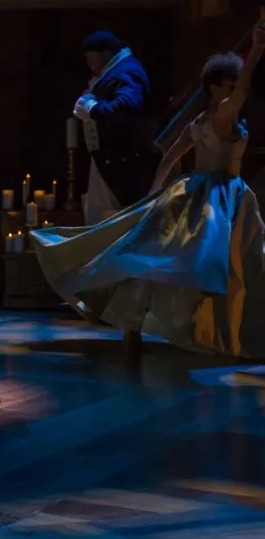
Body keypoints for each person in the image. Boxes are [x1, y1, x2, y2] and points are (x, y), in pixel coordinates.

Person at [32, 20, 265, 357]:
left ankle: (157, 327)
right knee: (227, 264)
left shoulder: (198, 122)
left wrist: (157, 196)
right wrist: (255, 51)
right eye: (229, 85)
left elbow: (168, 159)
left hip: (200, 192)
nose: (235, 91)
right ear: (214, 88)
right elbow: (240, 93)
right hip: (220, 199)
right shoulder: (222, 116)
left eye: (234, 84)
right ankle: (219, 331)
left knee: (168, 258)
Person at [72, 31, 159, 225]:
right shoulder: (117, 71)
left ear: (104, 53)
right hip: (107, 159)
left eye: (90, 57)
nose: (88, 63)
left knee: (110, 220)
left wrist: (92, 107)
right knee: (99, 216)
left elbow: (124, 108)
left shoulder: (128, 70)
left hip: (120, 161)